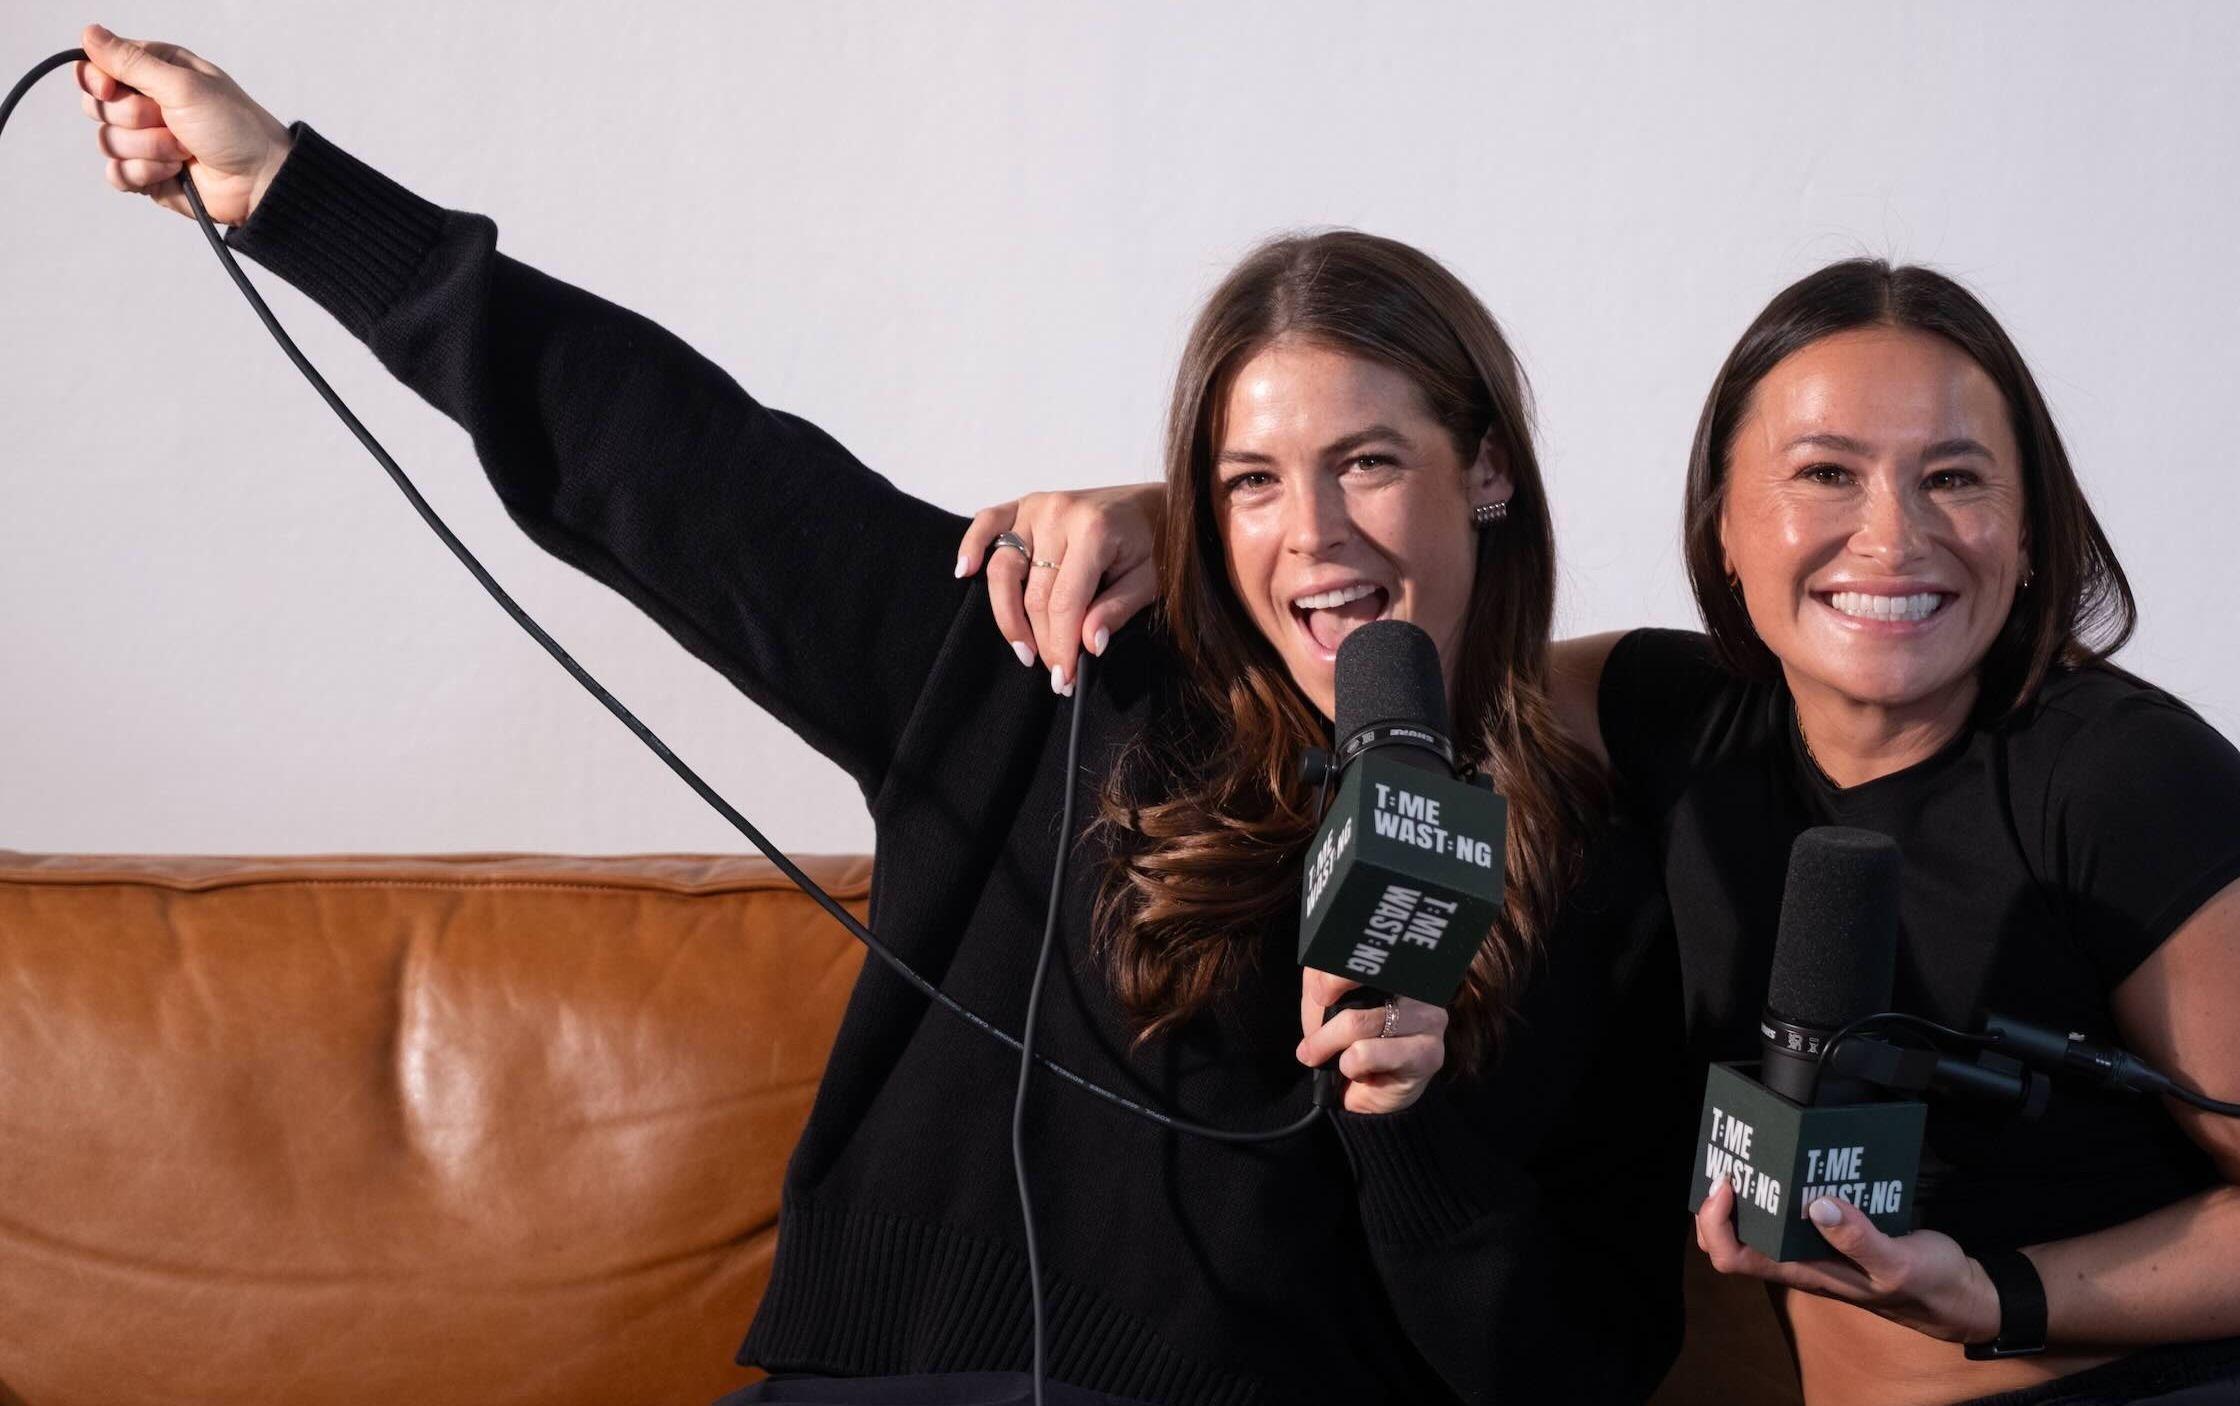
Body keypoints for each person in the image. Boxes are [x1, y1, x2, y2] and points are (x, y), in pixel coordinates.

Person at [68, 23, 1686, 1406]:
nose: (1313, 537)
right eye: (1252, 482)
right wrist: (286, 188)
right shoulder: (1042, 662)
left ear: (1485, 470)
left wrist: (1409, 1127)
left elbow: (1571, 1368)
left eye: (1372, 463)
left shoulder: (1601, 883)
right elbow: (674, 462)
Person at [962, 263, 2240, 1403]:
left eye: (1954, 477)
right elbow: (1404, 642)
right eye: (1825, 474)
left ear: (2028, 524)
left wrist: (1995, 1288)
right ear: (1725, 529)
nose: (1893, 537)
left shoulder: (2132, 781)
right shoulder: (1675, 721)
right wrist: (1183, 521)